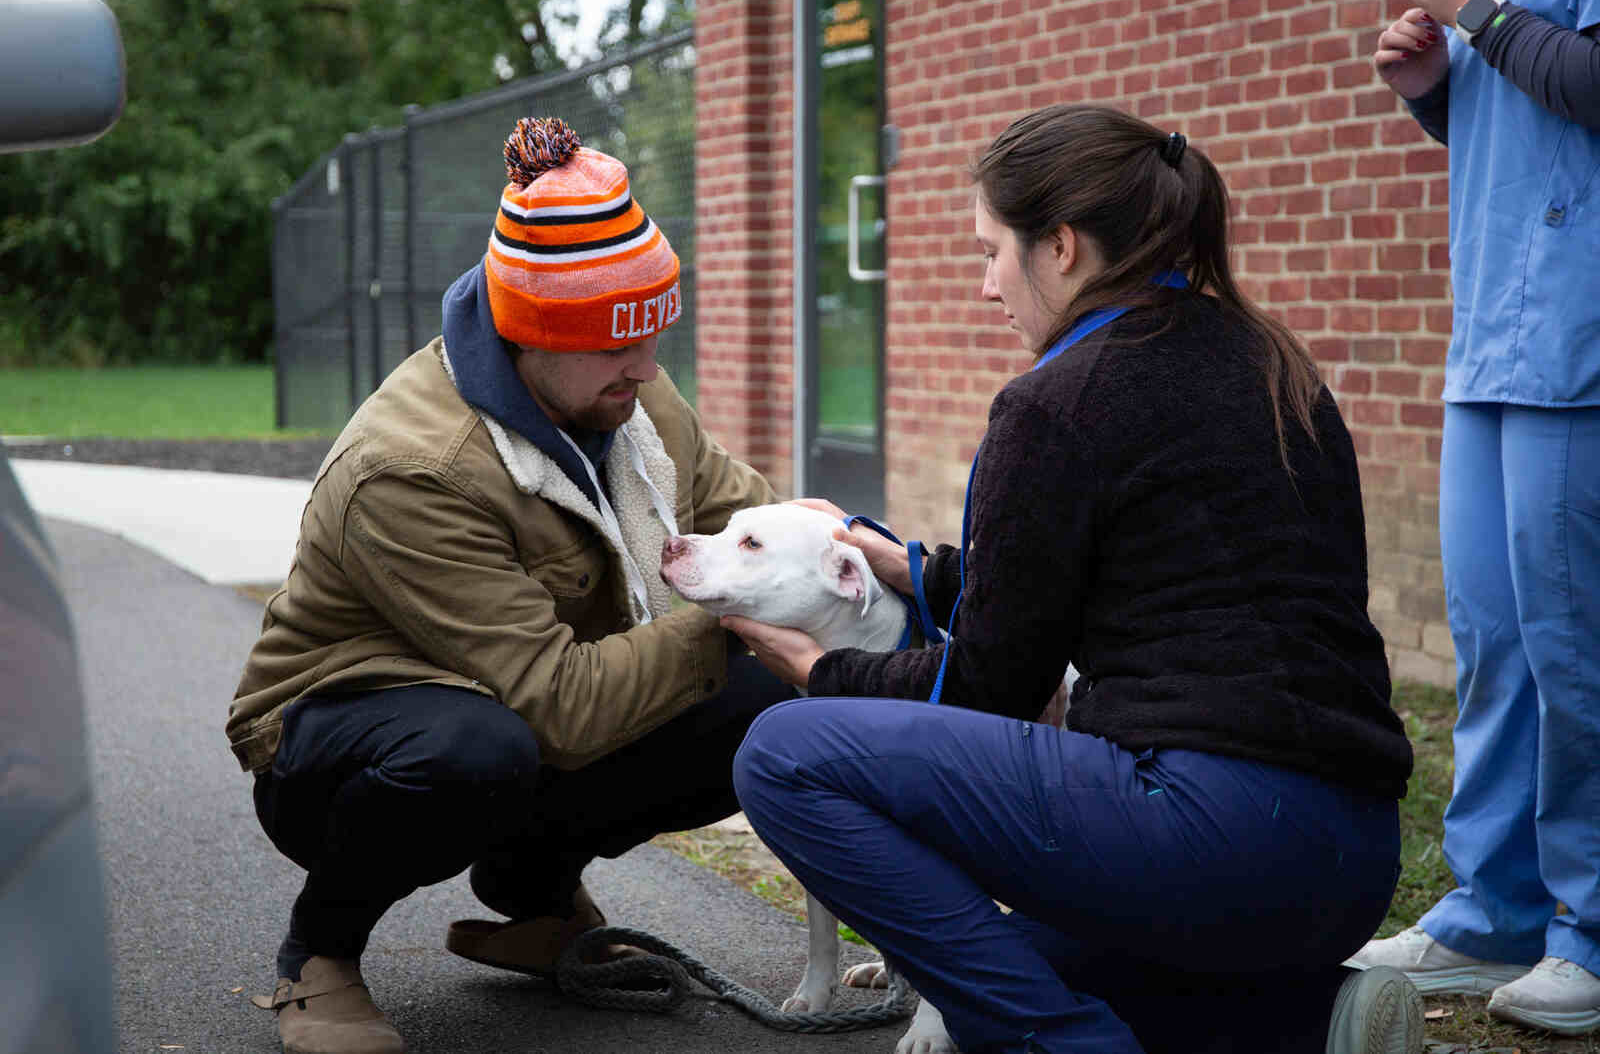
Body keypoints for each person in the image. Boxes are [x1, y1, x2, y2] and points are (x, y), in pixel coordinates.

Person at [723, 104, 1424, 1054]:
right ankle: (1310, 1019)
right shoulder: (1274, 363)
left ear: (1059, 246)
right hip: (1352, 856)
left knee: (782, 755)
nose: (985, 287)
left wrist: (819, 670)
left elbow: (990, 688)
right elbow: (1151, 574)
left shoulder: (1055, 403)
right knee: (1013, 963)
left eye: (991, 253)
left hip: (1206, 832)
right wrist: (918, 571)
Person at [225, 117, 788, 1054]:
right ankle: (319, 952)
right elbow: (558, 704)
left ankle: (534, 898)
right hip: (343, 735)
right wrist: (737, 610)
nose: (648, 368)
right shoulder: (412, 469)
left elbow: (748, 517)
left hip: (521, 701)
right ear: (532, 333)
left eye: (653, 334)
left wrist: (864, 565)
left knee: (770, 698)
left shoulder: (628, 391)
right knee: (476, 752)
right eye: (615, 344)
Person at [1347, 0, 1600, 1037]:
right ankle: (1495, 910)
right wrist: (1434, 92)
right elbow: (1532, 129)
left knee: (1574, 651)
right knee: (1494, 643)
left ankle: (1589, 929)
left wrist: (1474, 13)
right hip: (1491, 334)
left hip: (1579, 341)